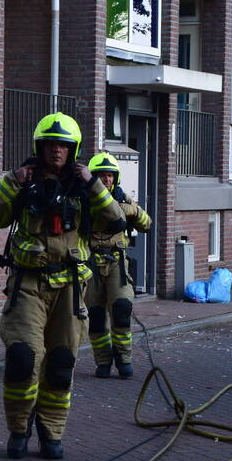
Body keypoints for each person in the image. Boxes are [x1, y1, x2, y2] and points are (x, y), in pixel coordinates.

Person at [0, 112, 126, 460]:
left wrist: (92, 183)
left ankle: (50, 431)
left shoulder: (85, 187)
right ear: (39, 147)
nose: (56, 151)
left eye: (63, 145)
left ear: (72, 150)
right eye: (50, 144)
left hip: (70, 290)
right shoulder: (23, 183)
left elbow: (117, 219)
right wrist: (12, 181)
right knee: (22, 356)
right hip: (27, 284)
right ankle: (18, 428)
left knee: (60, 363)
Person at [84, 151, 152, 379]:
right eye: (102, 176)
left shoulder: (124, 198)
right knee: (95, 317)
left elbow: (147, 224)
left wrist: (133, 211)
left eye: (110, 176)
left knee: (122, 309)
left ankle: (124, 359)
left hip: (116, 264)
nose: (107, 180)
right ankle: (103, 361)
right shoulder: (84, 200)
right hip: (91, 263)